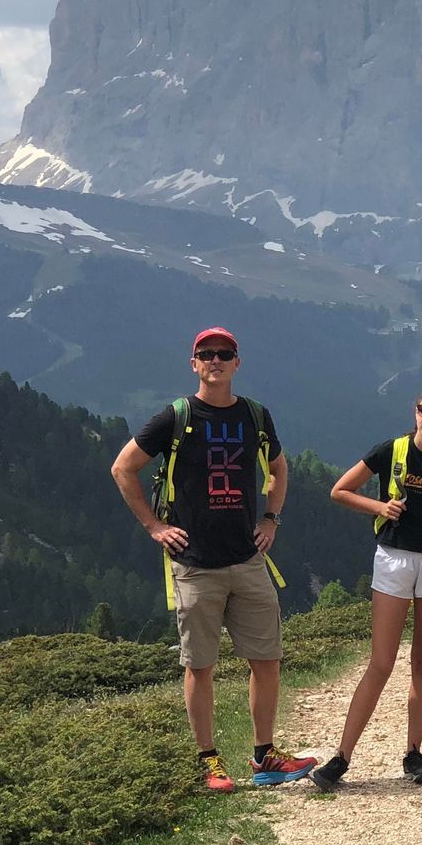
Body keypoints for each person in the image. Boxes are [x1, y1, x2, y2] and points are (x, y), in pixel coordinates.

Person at [110, 326, 315, 791]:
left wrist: (272, 519)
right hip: (195, 561)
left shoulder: (256, 416)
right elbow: (123, 468)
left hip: (247, 558)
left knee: (267, 659)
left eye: (224, 354)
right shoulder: (175, 417)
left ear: (237, 363)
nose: (215, 360)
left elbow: (279, 467)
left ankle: (264, 756)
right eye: (206, 354)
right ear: (194, 364)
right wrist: (154, 526)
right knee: (199, 665)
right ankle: (209, 762)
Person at [311, 385, 422, 792]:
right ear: (415, 411)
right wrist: (380, 507)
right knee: (381, 662)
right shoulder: (392, 450)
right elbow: (340, 491)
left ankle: (414, 753)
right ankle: (342, 757)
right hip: (394, 557)